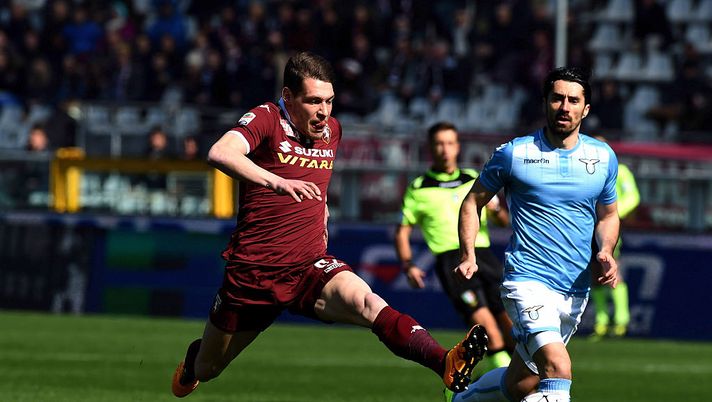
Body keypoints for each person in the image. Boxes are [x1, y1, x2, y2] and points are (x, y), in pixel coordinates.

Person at [171, 51, 488, 399]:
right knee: (209, 368)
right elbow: (220, 152)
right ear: (288, 96)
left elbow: (317, 183)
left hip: (309, 266)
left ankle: (444, 361)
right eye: (313, 101)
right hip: (254, 274)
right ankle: (193, 363)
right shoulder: (267, 118)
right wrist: (277, 182)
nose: (324, 111)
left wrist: (321, 212)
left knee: (369, 303)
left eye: (329, 101)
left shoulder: (331, 131)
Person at [447, 67, 620, 402]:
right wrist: (468, 254)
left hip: (575, 289)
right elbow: (472, 202)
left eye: (573, 100)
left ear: (585, 109)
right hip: (527, 282)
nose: (564, 107)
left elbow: (609, 215)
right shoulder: (515, 153)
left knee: (522, 383)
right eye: (557, 98)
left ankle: (461, 398)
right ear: (545, 103)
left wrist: (606, 250)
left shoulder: (602, 157)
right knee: (558, 368)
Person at [394, 121, 513, 375]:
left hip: (483, 256)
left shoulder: (473, 179)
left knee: (511, 325)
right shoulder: (419, 188)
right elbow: (402, 232)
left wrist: (496, 210)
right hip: (452, 262)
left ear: (458, 147)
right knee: (488, 329)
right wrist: (408, 265)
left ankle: (524, 377)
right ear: (430, 148)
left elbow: (504, 222)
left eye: (449, 143)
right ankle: (505, 382)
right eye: (439, 144)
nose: (444, 149)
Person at [589, 135, 640, 339]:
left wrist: (613, 215)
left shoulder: (620, 171)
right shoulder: (585, 171)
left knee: (610, 266)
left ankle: (621, 320)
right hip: (586, 228)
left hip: (608, 228)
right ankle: (601, 321)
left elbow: (633, 197)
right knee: (594, 273)